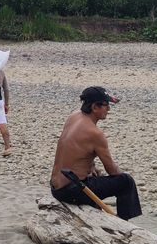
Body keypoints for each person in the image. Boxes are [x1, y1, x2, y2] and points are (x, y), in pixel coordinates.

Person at [49, 86, 142, 221]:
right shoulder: (95, 133)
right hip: (72, 191)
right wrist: (121, 174)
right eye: (106, 105)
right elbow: (112, 171)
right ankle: (124, 223)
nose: (109, 109)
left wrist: (91, 167)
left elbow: (76, 149)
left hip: (56, 187)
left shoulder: (73, 116)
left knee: (95, 175)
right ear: (94, 107)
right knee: (126, 181)